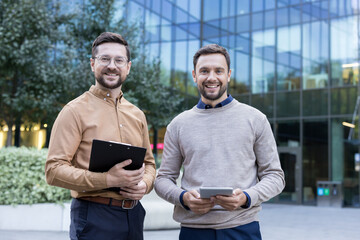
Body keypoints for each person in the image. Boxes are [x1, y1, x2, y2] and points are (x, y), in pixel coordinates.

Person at [154, 44, 285, 240]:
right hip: (193, 231)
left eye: (219, 71)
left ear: (229, 74)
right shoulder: (178, 125)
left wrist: (247, 198)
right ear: (194, 75)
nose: (211, 77)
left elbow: (275, 176)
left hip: (242, 229)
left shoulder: (256, 119)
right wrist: (183, 198)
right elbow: (163, 179)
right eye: (204, 71)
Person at [45, 32, 156, 240]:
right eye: (105, 59)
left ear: (128, 67)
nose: (112, 65)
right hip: (93, 216)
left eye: (119, 60)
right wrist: (107, 179)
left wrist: (145, 184)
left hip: (134, 216)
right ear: (92, 64)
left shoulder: (137, 114)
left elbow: (149, 164)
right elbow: (53, 171)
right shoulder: (74, 111)